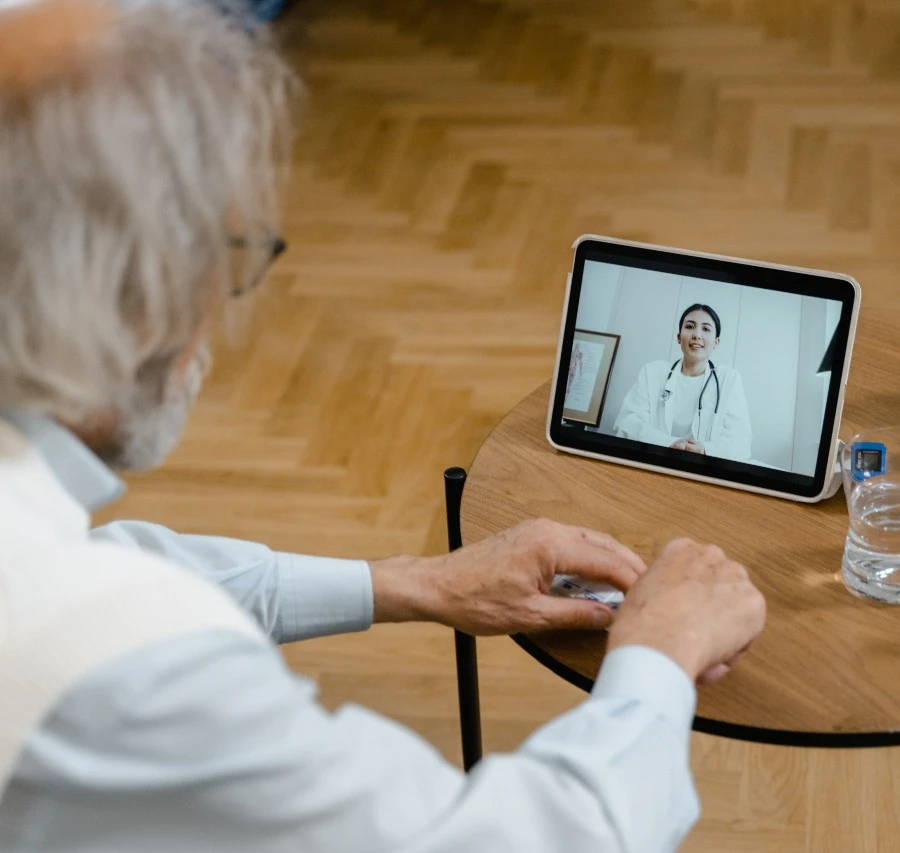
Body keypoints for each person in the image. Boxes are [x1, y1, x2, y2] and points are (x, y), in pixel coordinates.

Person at [0, 2, 766, 851]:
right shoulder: (129, 675)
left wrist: (415, 582)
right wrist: (656, 657)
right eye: (223, 262)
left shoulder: (53, 573)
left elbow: (111, 570)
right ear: (135, 307)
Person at [613, 304, 753, 462]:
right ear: (679, 337)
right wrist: (669, 443)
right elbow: (627, 424)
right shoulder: (652, 372)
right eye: (690, 326)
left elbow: (741, 444)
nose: (697, 335)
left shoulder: (729, 379)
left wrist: (705, 449)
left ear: (716, 341)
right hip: (653, 461)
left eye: (706, 329)